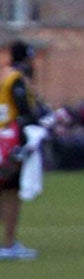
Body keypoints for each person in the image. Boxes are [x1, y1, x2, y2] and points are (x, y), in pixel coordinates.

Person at [0, 40, 46, 259]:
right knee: (11, 192)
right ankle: (9, 244)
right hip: (9, 138)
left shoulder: (3, 74)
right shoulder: (16, 79)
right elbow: (24, 109)